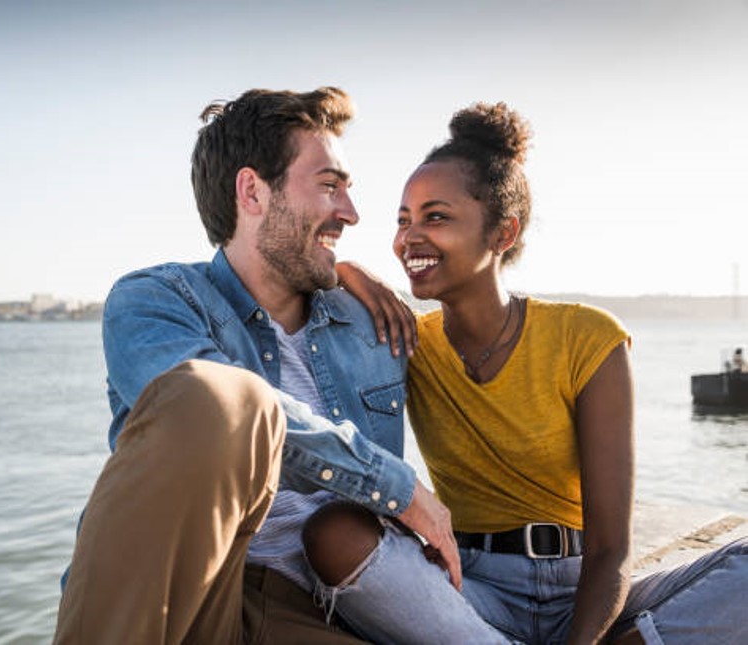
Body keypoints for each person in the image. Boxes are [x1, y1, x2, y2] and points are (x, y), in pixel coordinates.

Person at [52, 87, 504, 644]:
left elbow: (484, 386)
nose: (351, 212)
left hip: (327, 608)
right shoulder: (155, 303)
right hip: (189, 598)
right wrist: (398, 488)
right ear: (253, 192)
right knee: (215, 396)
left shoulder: (369, 320)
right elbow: (234, 416)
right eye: (330, 186)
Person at [309, 102, 748, 644]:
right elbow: (297, 287)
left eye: (436, 217)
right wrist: (347, 269)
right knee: (332, 534)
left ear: (503, 232)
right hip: (466, 589)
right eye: (403, 220)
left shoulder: (586, 337)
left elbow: (611, 546)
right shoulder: (407, 343)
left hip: (582, 584)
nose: (409, 238)